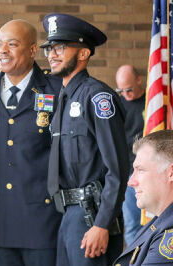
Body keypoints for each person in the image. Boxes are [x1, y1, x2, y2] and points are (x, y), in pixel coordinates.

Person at [0, 19, 62, 266]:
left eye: (12, 44)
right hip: (1, 217)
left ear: (31, 50)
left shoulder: (56, 87)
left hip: (42, 216)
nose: (2, 51)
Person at [41, 13, 129, 266]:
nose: (52, 54)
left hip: (93, 215)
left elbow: (118, 168)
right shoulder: (65, 97)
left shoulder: (97, 97)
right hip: (68, 213)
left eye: (61, 47)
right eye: (50, 48)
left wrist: (103, 223)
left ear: (83, 54)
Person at [113, 130, 173, 266]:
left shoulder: (169, 235)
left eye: (140, 170)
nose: (131, 182)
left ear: (171, 173)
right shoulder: (157, 224)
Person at [115, 65, 146, 245]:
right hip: (129, 173)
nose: (125, 94)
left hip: (151, 170)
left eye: (129, 89)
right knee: (132, 223)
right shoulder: (118, 103)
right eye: (121, 90)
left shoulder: (152, 102)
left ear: (139, 80)